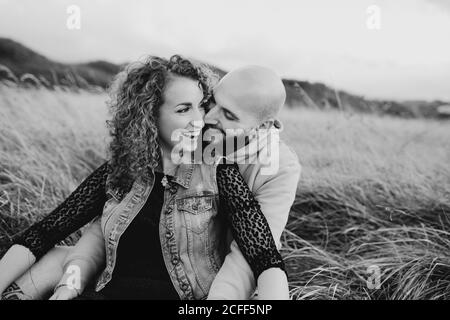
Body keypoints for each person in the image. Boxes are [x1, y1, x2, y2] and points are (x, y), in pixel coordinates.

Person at [0, 56, 296, 300]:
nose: (204, 119)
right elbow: (75, 229)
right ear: (149, 115)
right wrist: (71, 281)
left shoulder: (239, 169)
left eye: (227, 114)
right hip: (112, 287)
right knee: (45, 267)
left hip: (201, 289)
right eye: (207, 104)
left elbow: (259, 255)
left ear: (262, 126)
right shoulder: (126, 168)